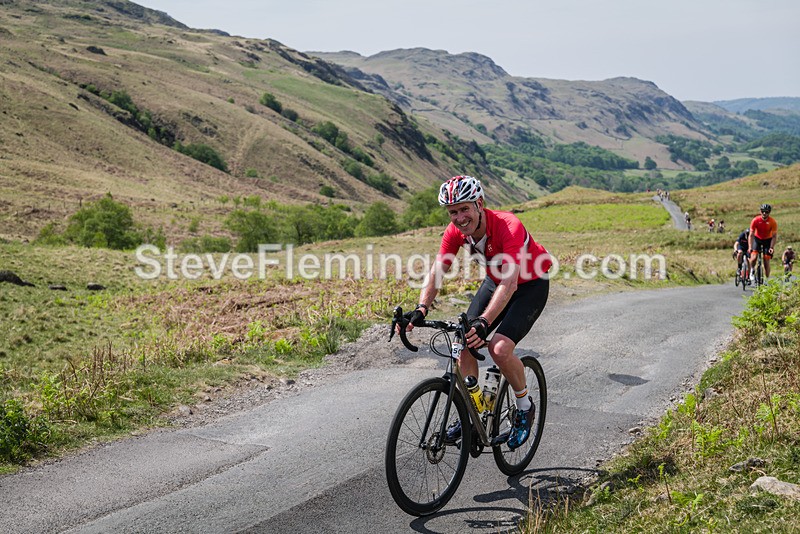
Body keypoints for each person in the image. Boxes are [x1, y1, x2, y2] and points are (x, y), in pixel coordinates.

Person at [402, 175, 551, 450]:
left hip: (529, 285)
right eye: (453, 212)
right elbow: (438, 270)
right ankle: (475, 413)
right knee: (462, 343)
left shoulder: (508, 225)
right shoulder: (454, 232)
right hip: (496, 281)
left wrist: (484, 322)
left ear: (479, 203)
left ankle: (524, 406)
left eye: (464, 209)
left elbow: (511, 283)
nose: (459, 218)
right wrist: (421, 307)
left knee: (500, 348)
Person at [748, 204, 778, 282]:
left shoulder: (772, 222)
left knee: (766, 261)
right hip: (757, 239)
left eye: (766, 212)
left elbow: (774, 236)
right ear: (760, 212)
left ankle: (767, 279)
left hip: (768, 240)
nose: (764, 213)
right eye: (763, 211)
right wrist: (750, 247)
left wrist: (771, 247)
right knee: (754, 257)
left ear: (769, 212)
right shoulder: (755, 220)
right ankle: (752, 270)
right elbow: (751, 235)